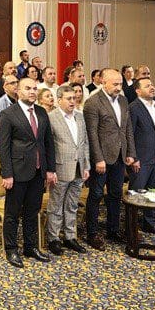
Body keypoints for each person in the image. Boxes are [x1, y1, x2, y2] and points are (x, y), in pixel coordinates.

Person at [0, 78, 53, 267]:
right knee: (12, 213)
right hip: (17, 171)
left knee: (32, 211)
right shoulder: (8, 114)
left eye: (35, 88)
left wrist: (50, 169)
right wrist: (6, 173)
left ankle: (31, 246)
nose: (32, 91)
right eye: (27, 88)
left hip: (38, 171)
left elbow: (48, 143)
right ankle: (11, 249)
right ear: (18, 91)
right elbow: (3, 147)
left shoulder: (41, 112)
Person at [82, 68, 135, 250]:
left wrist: (130, 152)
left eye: (120, 84)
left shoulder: (123, 100)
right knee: (96, 195)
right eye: (115, 84)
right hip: (102, 159)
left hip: (120, 156)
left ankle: (113, 230)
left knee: (115, 194)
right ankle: (92, 233)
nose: (119, 87)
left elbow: (127, 128)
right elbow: (92, 134)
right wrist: (98, 159)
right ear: (103, 83)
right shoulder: (93, 102)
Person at [44, 85, 90, 256]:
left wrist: (87, 166)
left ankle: (70, 237)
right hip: (60, 168)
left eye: (74, 98)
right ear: (59, 100)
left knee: (72, 205)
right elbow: (48, 146)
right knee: (56, 205)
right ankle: (54, 238)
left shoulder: (80, 116)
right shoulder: (51, 118)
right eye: (69, 98)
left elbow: (84, 143)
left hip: (79, 168)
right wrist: (50, 170)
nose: (73, 101)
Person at [127, 78, 155, 232]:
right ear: (138, 91)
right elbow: (129, 134)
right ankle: (131, 228)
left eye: (152, 85)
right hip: (140, 160)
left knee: (153, 193)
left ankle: (150, 224)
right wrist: (134, 158)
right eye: (147, 86)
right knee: (136, 196)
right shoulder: (133, 107)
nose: (152, 87)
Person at [0, 74, 20, 143]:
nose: (16, 85)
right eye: (12, 83)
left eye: (17, 82)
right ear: (5, 87)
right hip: (8, 142)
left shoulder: (23, 101)